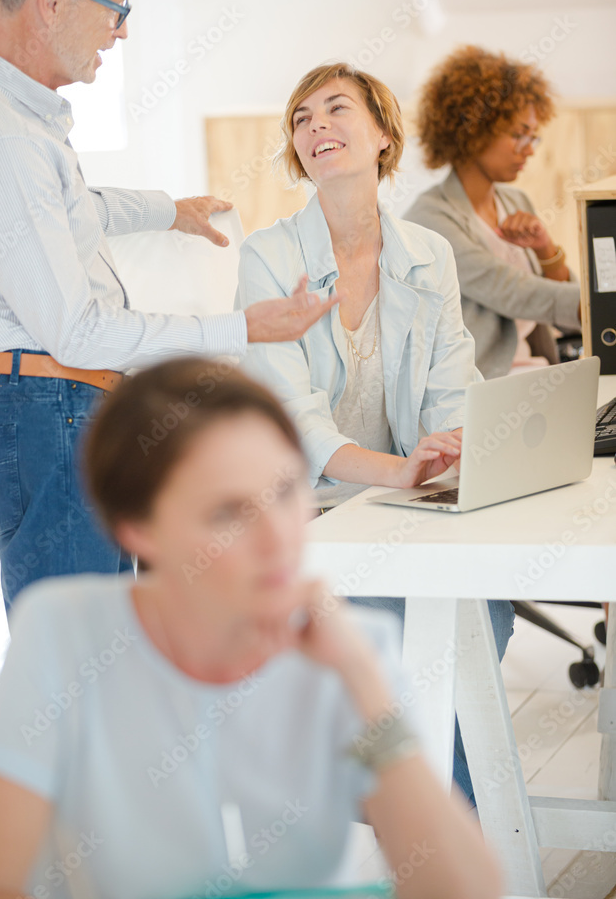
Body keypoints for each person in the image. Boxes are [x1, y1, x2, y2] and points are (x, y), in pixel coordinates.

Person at [0, 357, 501, 899]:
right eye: (227, 513)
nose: (276, 538)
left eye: (285, 492)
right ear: (137, 529)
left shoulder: (353, 646)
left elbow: (468, 889)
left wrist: (363, 685)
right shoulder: (63, 634)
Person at [0, 0, 335, 613]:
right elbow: (78, 332)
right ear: (53, 1)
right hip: (48, 413)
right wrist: (241, 328)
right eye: (116, 8)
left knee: (93, 644)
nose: (122, 30)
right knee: (83, 654)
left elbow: (64, 214)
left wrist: (166, 210)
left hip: (42, 410)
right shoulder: (7, 142)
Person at [234, 61, 514, 805]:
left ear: (384, 135)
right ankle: (455, 830)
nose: (316, 125)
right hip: (302, 513)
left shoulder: (428, 255)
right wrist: (399, 470)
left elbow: (453, 390)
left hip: (393, 506)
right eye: (301, 118)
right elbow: (293, 423)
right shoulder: (269, 256)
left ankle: (435, 821)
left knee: (485, 610)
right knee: (412, 626)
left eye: (336, 109)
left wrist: (456, 446)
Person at [404, 45, 581, 379]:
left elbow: (564, 320)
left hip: (539, 374)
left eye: (533, 137)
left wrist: (545, 250)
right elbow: (510, 291)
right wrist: (596, 304)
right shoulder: (429, 218)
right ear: (473, 130)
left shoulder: (516, 201)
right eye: (518, 135)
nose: (529, 150)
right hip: (485, 386)